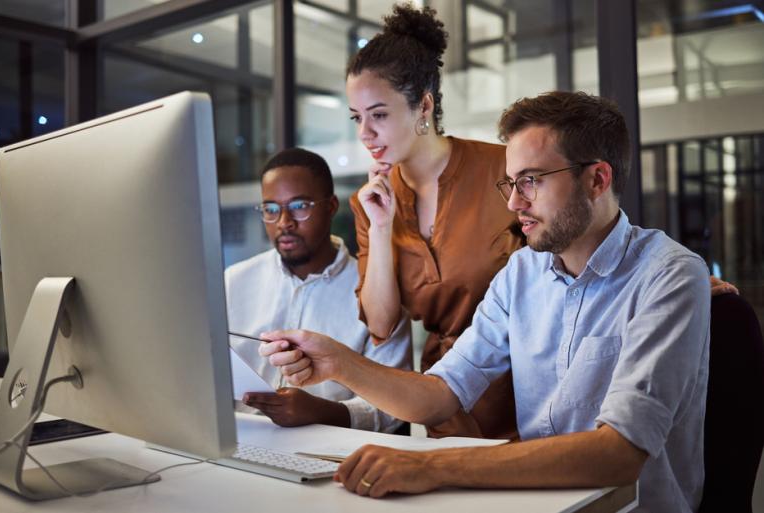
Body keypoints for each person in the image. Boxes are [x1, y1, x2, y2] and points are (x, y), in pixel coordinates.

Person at [260, 92, 710, 512]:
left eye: (531, 181)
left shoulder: (668, 275)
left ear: (597, 179)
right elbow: (439, 395)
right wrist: (338, 363)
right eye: (511, 183)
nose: (514, 202)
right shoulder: (521, 274)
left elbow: (619, 454)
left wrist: (432, 466)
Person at [346, 2, 522, 439]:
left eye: (379, 115)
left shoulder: (505, 168)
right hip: (444, 401)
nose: (364, 134)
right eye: (357, 118)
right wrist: (383, 227)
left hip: (527, 391)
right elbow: (383, 325)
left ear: (423, 106)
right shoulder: (370, 203)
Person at [225, 147, 411, 433]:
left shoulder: (376, 291)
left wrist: (324, 412)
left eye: (299, 206)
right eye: (271, 209)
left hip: (334, 454)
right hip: (241, 442)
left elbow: (398, 406)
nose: (284, 222)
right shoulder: (234, 282)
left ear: (331, 207)